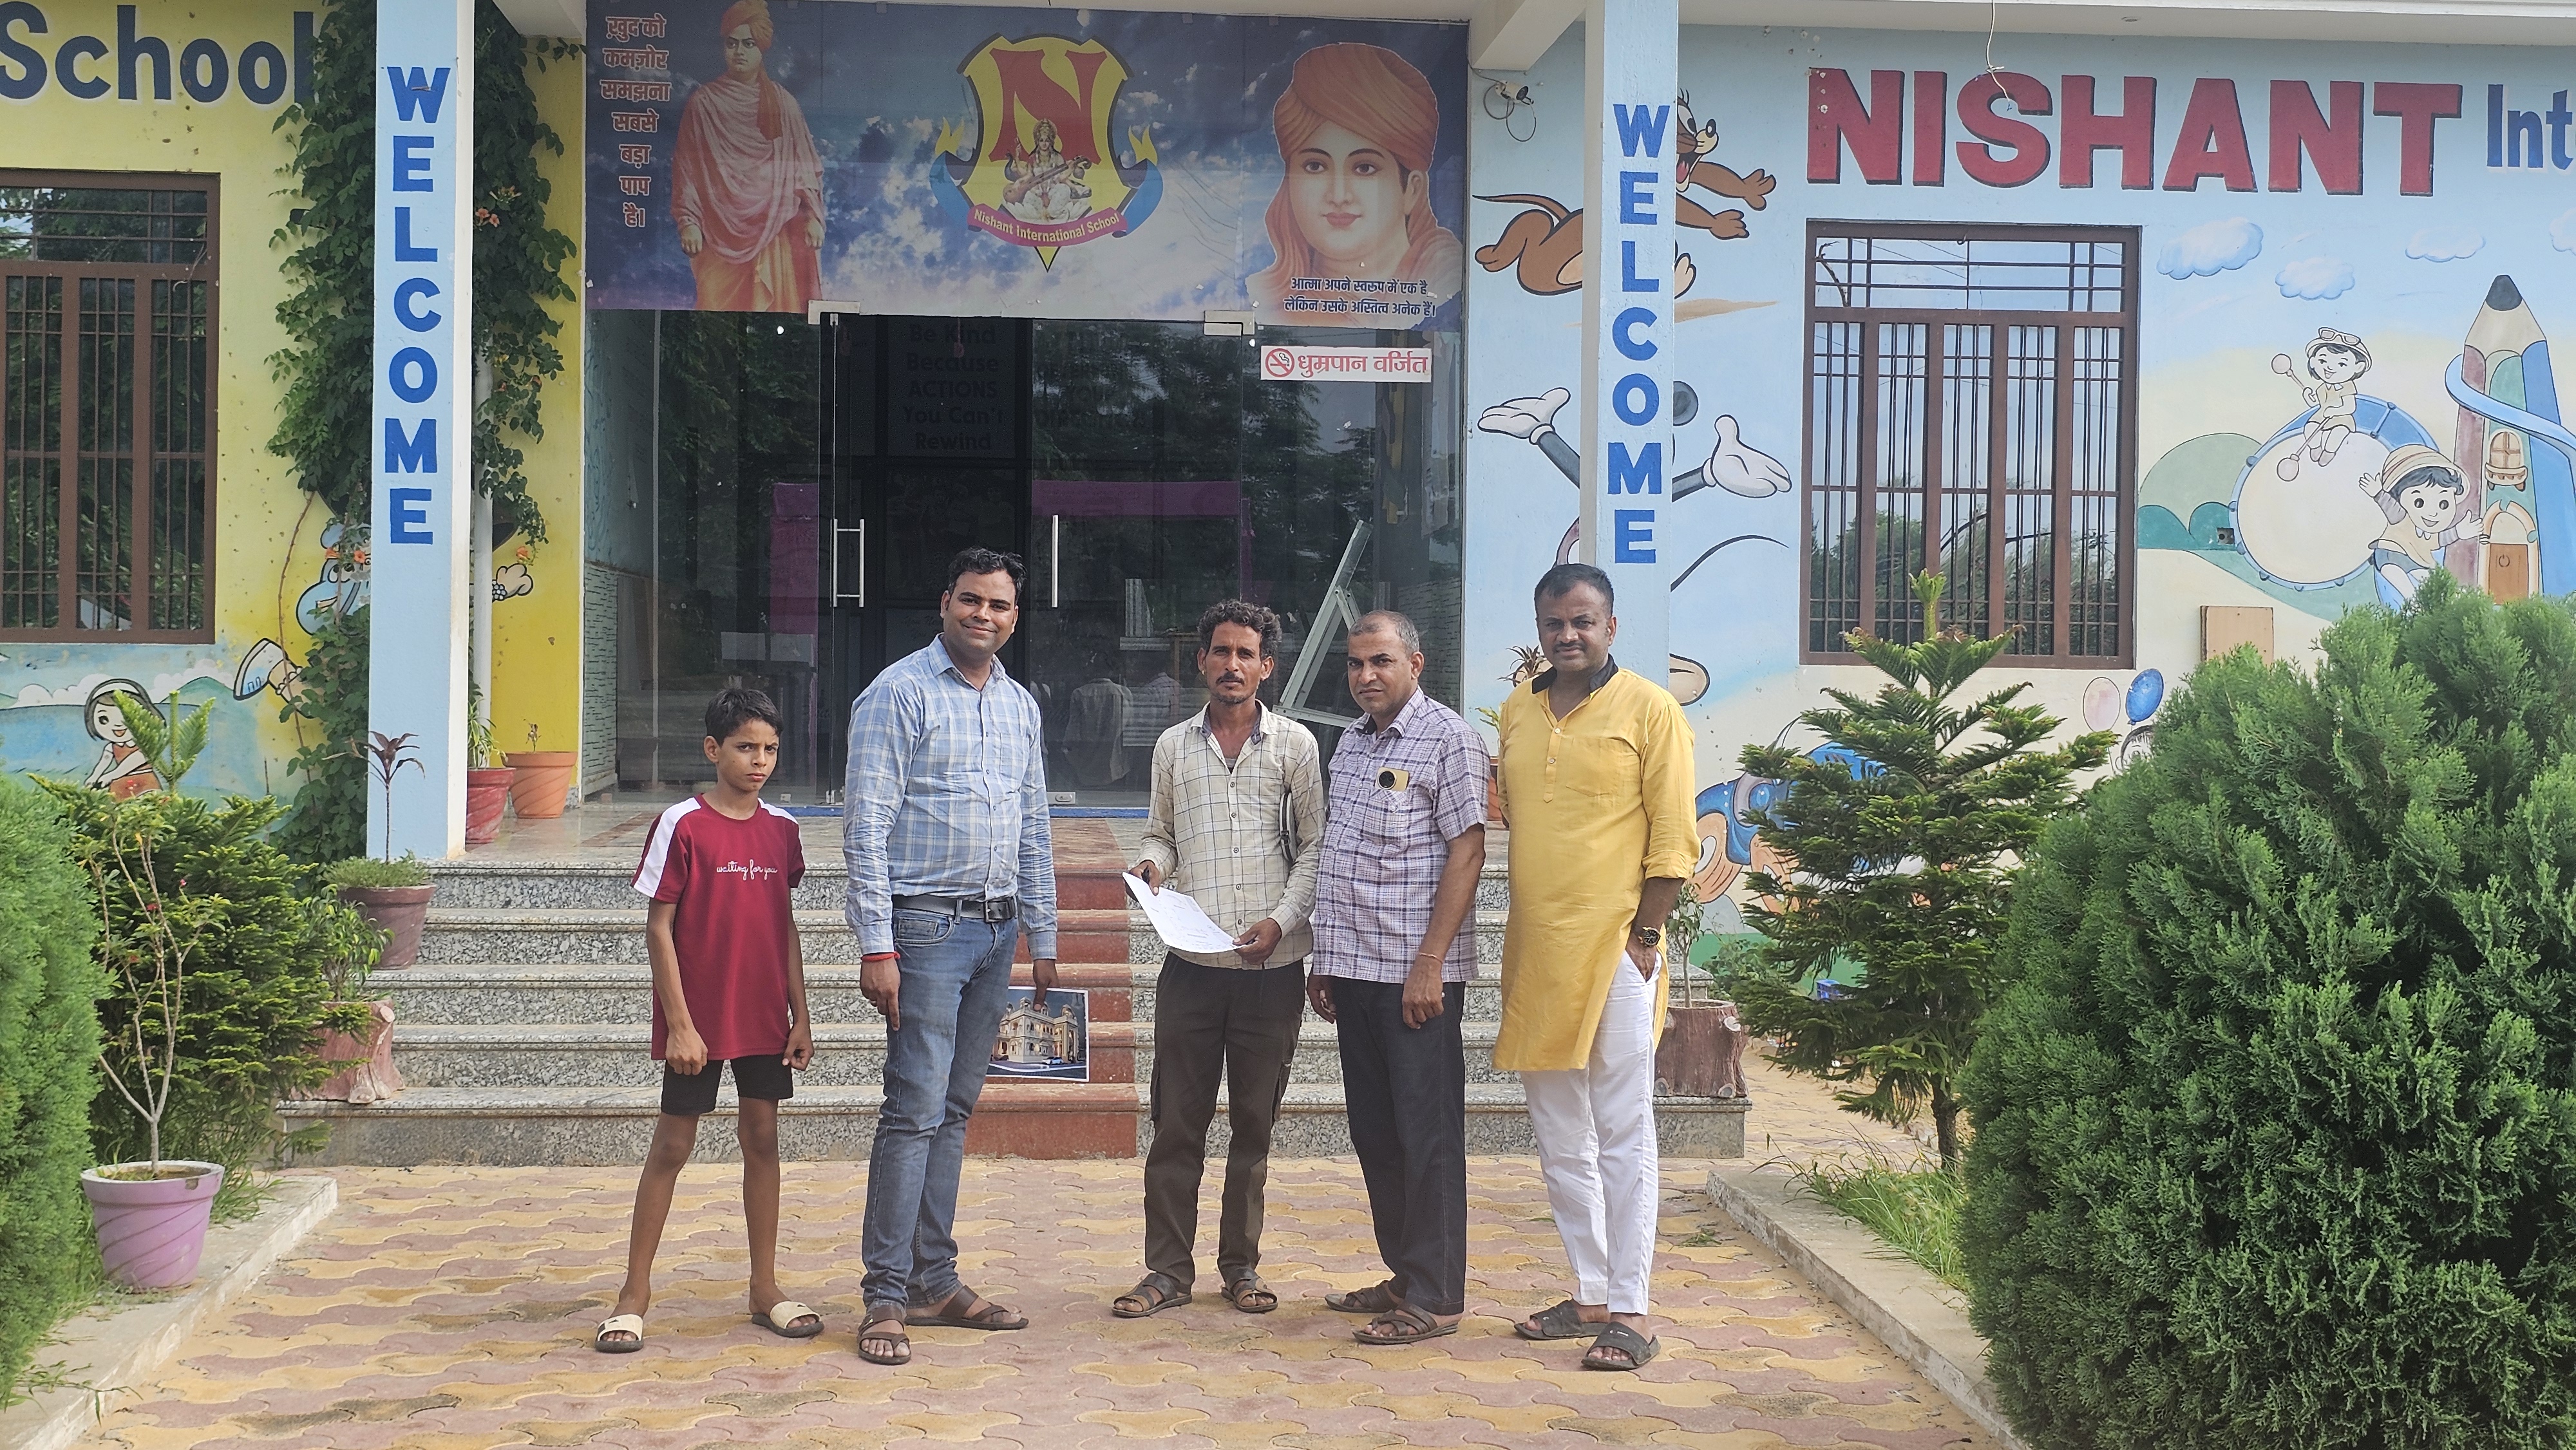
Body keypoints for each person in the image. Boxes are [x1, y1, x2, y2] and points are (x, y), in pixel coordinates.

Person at [844, 547, 1058, 1367]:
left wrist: (1043, 932)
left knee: (956, 1108)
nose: (984, 615)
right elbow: (864, 826)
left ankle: (934, 1279)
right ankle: (886, 1294)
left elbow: (1034, 825)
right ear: (944, 604)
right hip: (926, 930)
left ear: (1014, 616)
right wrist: (876, 942)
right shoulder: (898, 692)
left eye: (999, 605)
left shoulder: (1018, 703)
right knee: (913, 1109)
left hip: (998, 931)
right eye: (971, 600)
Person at [1493, 563, 1696, 1373]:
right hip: (1537, 948)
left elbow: (1674, 833)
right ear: (1539, 629)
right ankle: (1590, 1292)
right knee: (1558, 1134)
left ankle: (1633, 1308)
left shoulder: (1650, 708)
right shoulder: (1518, 708)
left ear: (1610, 626)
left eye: (1583, 620)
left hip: (1617, 946)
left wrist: (1645, 934)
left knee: (1622, 1129)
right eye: (1554, 622)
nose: (1568, 634)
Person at [1113, 601, 1327, 1321]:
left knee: (1253, 1129)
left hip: (1271, 970)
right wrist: (1150, 865)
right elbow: (1161, 834)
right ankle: (1167, 1270)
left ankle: (1241, 1267)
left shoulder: (1296, 746)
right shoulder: (1173, 747)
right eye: (1220, 652)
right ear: (1200, 660)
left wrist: (1282, 921)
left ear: (1267, 666)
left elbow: (1315, 849)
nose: (1232, 665)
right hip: (1192, 969)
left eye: (1246, 654)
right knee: (1177, 1124)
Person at [597, 687, 819, 1353]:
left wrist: (801, 1014)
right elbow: (658, 928)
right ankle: (633, 1294)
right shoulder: (682, 824)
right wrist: (680, 1024)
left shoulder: (783, 829)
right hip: (697, 1019)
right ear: (712, 749)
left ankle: (764, 1287)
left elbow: (784, 925)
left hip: (763, 1016)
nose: (760, 761)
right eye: (746, 747)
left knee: (763, 1139)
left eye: (770, 749)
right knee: (672, 1145)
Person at [1307, 610, 1488, 1345]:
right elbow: (1340, 853)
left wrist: (1431, 964)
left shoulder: (1450, 739)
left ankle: (1437, 1296)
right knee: (1377, 1134)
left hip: (1416, 979)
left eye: (1380, 661)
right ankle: (1405, 1275)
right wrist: (1325, 958)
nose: (1365, 675)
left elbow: (1468, 852)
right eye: (1355, 663)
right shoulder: (1351, 742)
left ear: (1415, 663)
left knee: (1427, 1136)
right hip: (1355, 970)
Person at [1247, 43, 1463, 319]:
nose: (1339, 196)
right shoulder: (1265, 302)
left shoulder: (1448, 285)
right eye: (1315, 166)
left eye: (1364, 168)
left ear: (1412, 190)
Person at [670, 0, 825, 312]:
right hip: (717, 234)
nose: (739, 52)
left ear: (762, 48)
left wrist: (812, 217)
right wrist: (688, 222)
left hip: (774, 232)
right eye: (732, 44)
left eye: (748, 44)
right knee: (713, 316)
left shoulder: (783, 104)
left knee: (776, 312)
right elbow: (687, 170)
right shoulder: (703, 104)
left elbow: (804, 168)